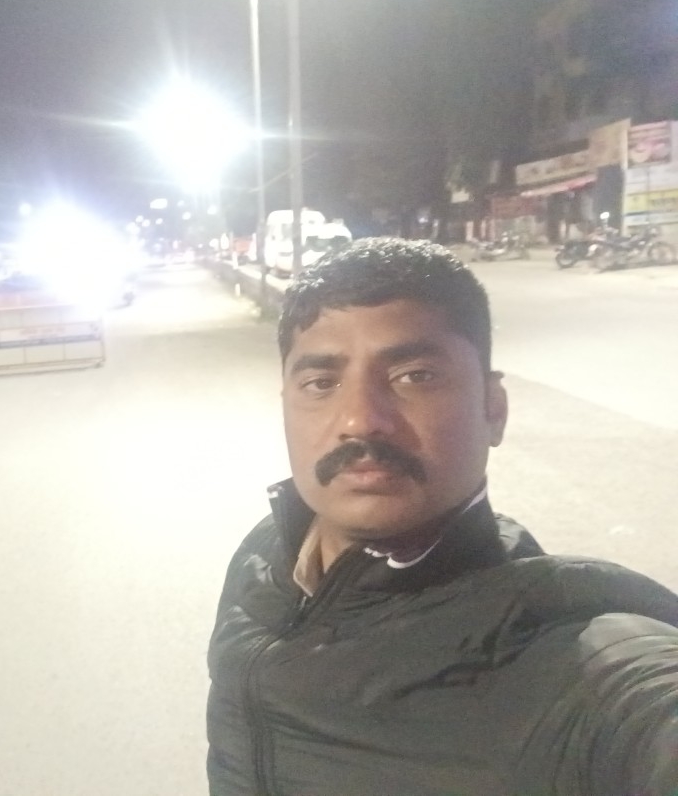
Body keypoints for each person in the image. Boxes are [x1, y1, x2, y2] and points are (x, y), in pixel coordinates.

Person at [206, 238, 678, 795]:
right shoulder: (266, 560)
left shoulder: (575, 670)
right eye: (321, 384)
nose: (359, 419)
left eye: (415, 375)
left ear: (493, 409)